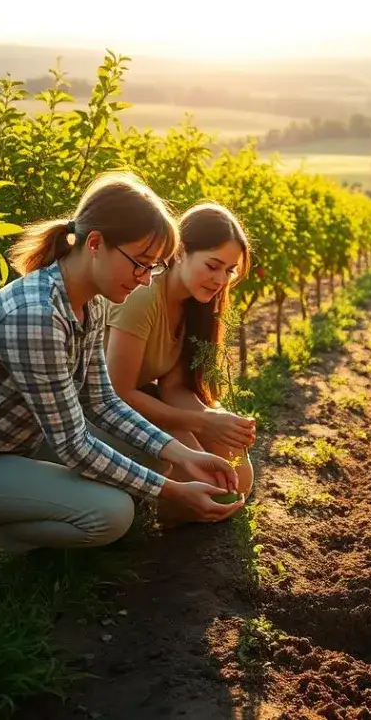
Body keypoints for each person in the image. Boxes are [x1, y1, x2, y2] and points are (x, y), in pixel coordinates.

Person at [0, 172, 245, 584]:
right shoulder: (37, 316)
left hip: (8, 446)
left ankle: (3, 515)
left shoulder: (88, 303)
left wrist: (183, 455)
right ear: (95, 243)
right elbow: (74, 446)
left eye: (153, 268)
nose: (145, 279)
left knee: (152, 455)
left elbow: (102, 402)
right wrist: (170, 490)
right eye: (140, 263)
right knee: (110, 514)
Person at [104, 202, 256, 525]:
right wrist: (201, 424)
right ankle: (143, 513)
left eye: (228, 271)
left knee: (239, 478)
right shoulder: (144, 297)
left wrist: (215, 417)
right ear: (182, 251)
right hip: (107, 410)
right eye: (213, 265)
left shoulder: (192, 305)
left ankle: (159, 502)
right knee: (213, 486)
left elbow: (173, 387)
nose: (220, 280)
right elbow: (118, 394)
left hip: (147, 404)